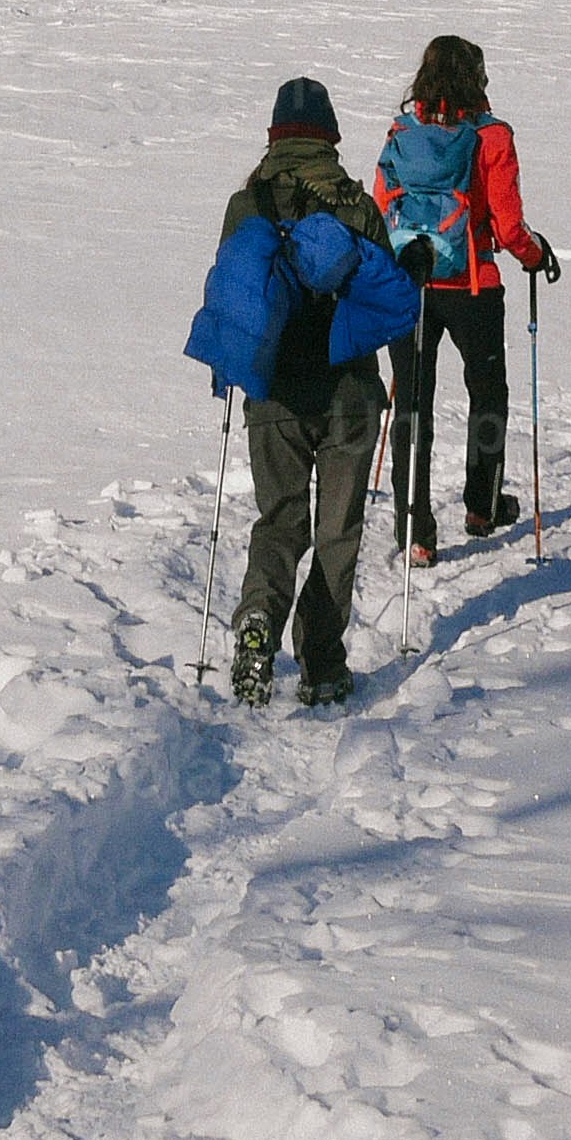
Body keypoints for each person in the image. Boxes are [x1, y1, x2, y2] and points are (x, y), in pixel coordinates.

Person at [212, 76, 427, 707]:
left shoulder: (245, 207)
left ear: (274, 136)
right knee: (338, 533)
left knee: (279, 524)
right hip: (349, 397)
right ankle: (323, 665)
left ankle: (257, 621)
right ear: (331, 136)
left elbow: (236, 299)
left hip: (273, 396)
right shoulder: (355, 206)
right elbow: (385, 296)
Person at [375, 34, 559, 556]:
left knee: (412, 404)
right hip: (473, 285)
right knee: (487, 392)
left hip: (410, 283)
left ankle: (415, 531)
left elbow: (380, 203)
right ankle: (482, 505)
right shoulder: (492, 137)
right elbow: (508, 222)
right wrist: (533, 254)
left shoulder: (401, 132)